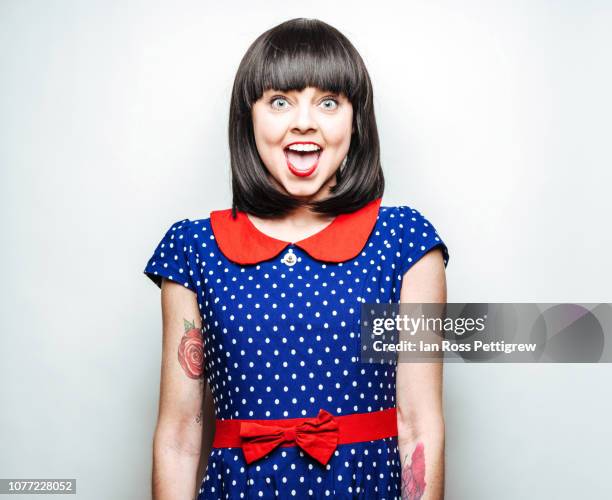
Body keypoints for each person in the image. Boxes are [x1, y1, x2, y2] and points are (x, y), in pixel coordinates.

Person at [144, 17, 449, 500]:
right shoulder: (193, 249)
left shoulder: (404, 242)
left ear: (355, 120)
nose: (304, 121)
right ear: (249, 117)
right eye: (280, 101)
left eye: (328, 102)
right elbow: (180, 436)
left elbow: (419, 426)